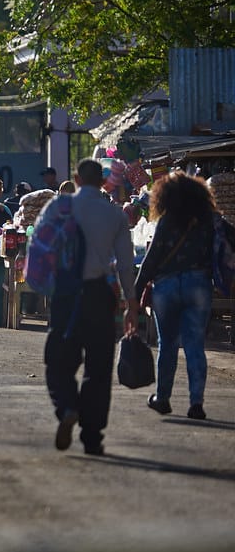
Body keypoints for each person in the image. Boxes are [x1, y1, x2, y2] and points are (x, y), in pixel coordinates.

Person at [41, 159, 138, 456]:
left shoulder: (57, 208)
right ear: (104, 181)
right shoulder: (115, 215)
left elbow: (43, 250)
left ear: (76, 178)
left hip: (67, 295)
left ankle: (68, 406)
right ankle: (92, 437)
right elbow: (125, 263)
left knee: (58, 360)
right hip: (100, 295)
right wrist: (131, 305)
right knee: (98, 367)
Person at [134, 172, 216, 420]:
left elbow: (151, 259)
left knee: (167, 344)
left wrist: (134, 296)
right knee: (194, 345)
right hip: (198, 284)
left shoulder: (166, 221)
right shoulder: (206, 221)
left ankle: (163, 398)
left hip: (166, 286)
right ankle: (196, 403)